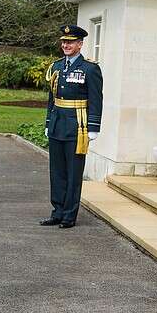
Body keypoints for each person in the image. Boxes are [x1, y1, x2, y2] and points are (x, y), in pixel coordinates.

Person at [39, 24, 103, 229]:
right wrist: (49, 122)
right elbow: (52, 98)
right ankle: (57, 211)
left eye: (70, 42)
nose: (66, 45)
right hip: (58, 123)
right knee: (56, 171)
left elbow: (96, 99)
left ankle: (69, 215)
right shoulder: (57, 66)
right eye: (64, 42)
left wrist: (93, 127)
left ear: (80, 44)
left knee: (73, 172)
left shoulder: (90, 69)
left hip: (78, 125)